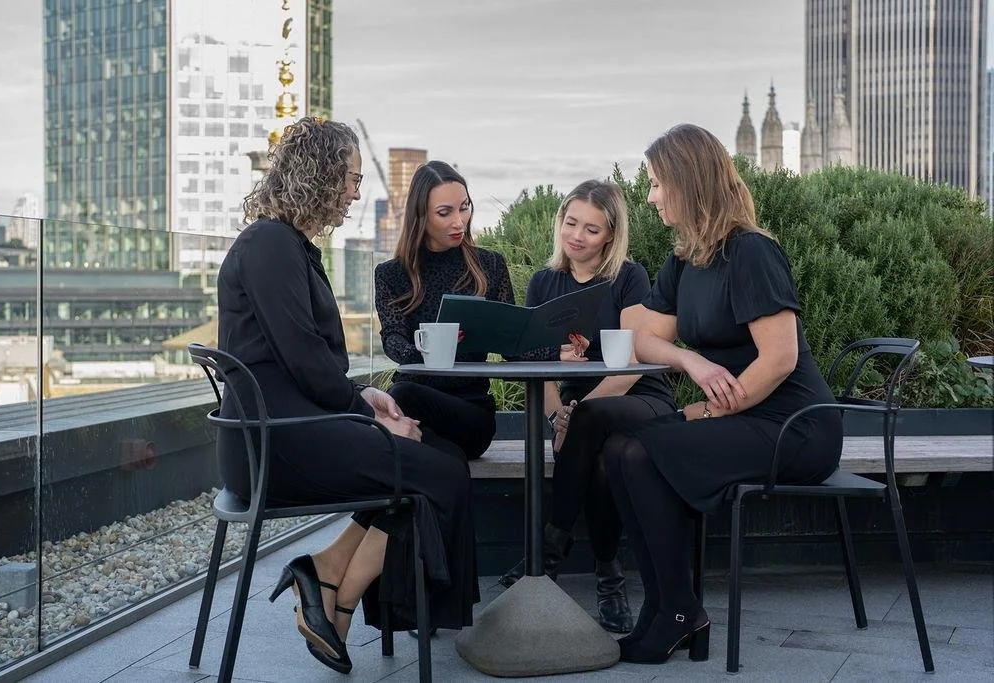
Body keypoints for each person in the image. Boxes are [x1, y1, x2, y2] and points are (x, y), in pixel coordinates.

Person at [215, 118, 478, 675]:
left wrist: (366, 403)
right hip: (277, 445)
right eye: (353, 179)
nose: (357, 192)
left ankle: (330, 577)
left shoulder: (286, 244)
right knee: (440, 474)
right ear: (321, 175)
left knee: (442, 458)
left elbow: (305, 363)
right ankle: (335, 586)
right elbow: (305, 358)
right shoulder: (269, 243)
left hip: (288, 429)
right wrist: (368, 415)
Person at [601, 124, 842, 664]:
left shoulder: (751, 252)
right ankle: (669, 607)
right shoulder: (687, 258)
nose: (651, 196)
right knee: (620, 451)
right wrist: (690, 359)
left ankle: (678, 614)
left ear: (688, 182)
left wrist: (704, 410)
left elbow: (778, 361)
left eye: (658, 183)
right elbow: (645, 337)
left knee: (640, 452)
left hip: (794, 426)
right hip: (742, 415)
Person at [496, 180, 676, 634]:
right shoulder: (544, 281)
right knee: (598, 460)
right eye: (571, 223)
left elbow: (635, 360)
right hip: (574, 414)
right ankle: (609, 580)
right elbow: (536, 365)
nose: (577, 235)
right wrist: (560, 416)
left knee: (594, 426)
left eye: (591, 229)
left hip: (637, 397)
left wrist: (576, 415)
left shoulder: (628, 277)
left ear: (611, 235)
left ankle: (548, 554)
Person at [375, 160, 515, 461]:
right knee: (402, 402)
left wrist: (554, 347)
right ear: (420, 217)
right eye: (445, 212)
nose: (459, 221)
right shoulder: (391, 274)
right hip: (414, 406)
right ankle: (446, 469)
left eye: (464, 207)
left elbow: (511, 343)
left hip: (471, 413)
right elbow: (393, 339)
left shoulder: (490, 266)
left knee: (401, 402)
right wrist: (428, 350)